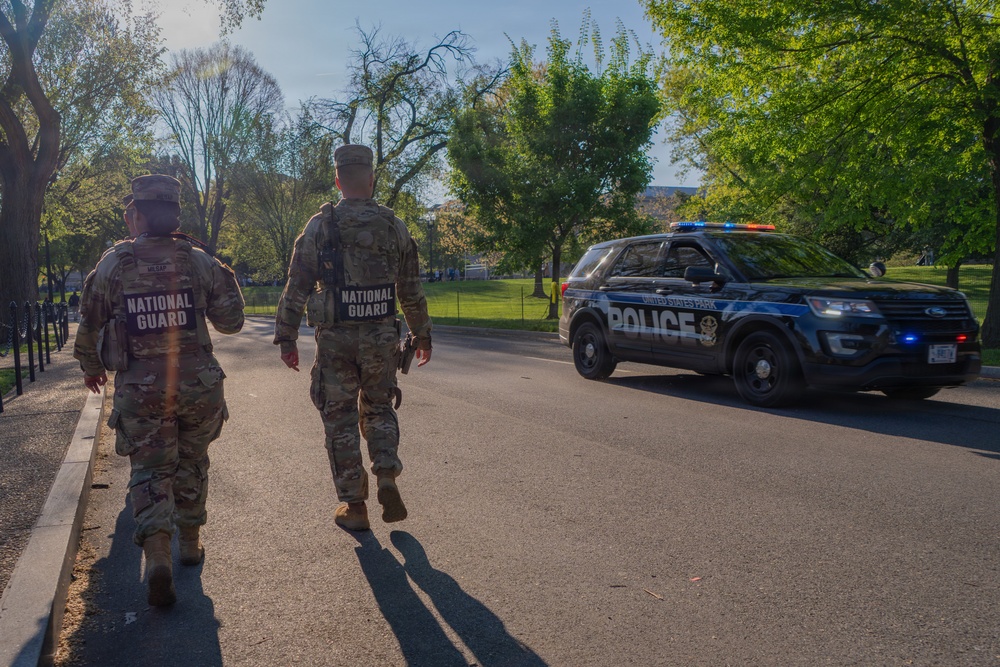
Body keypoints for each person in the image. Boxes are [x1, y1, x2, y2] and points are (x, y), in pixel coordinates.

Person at [73, 174, 245, 607]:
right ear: (177, 214)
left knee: (150, 470)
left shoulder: (114, 262)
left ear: (139, 213)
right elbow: (231, 322)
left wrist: (92, 367)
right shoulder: (200, 261)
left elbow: (88, 326)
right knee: (192, 461)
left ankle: (157, 556)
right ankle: (189, 543)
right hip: (199, 386)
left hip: (140, 388)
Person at [274, 144, 432, 532]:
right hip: (381, 339)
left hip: (336, 341)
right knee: (379, 408)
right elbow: (410, 289)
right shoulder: (394, 226)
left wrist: (287, 336)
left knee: (340, 419)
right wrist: (422, 334)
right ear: (372, 179)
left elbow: (297, 284)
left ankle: (355, 507)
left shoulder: (320, 225)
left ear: (338, 180)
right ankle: (386, 474)